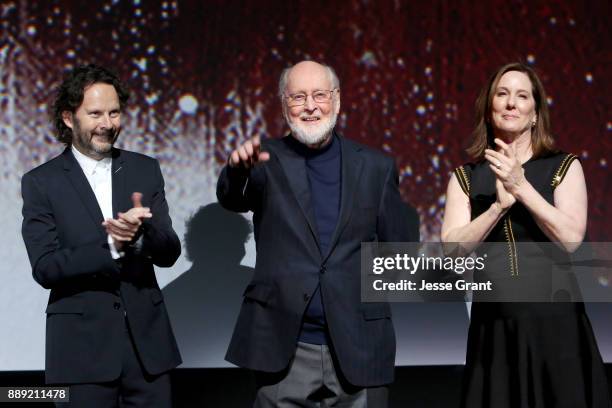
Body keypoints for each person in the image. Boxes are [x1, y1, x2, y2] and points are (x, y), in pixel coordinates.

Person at [217, 60, 419, 407]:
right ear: (284, 104)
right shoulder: (266, 158)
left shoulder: (376, 167)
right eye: (298, 97)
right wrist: (236, 171)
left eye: (319, 95)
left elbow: (399, 249)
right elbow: (233, 199)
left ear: (336, 100)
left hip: (358, 345)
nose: (310, 106)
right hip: (285, 346)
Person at [441, 62, 610, 407]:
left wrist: (521, 187)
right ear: (489, 111)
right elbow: (450, 251)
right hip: (495, 332)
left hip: (557, 328)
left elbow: (572, 237)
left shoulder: (563, 166)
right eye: (502, 95)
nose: (511, 103)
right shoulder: (466, 177)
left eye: (521, 96)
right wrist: (496, 208)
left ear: (535, 113)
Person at [21, 64, 182, 407]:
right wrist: (112, 245)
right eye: (95, 113)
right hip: (80, 357)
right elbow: (45, 267)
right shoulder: (41, 182)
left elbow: (169, 251)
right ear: (68, 118)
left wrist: (140, 237)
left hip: (148, 353)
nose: (107, 124)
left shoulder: (145, 168)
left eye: (114, 112)